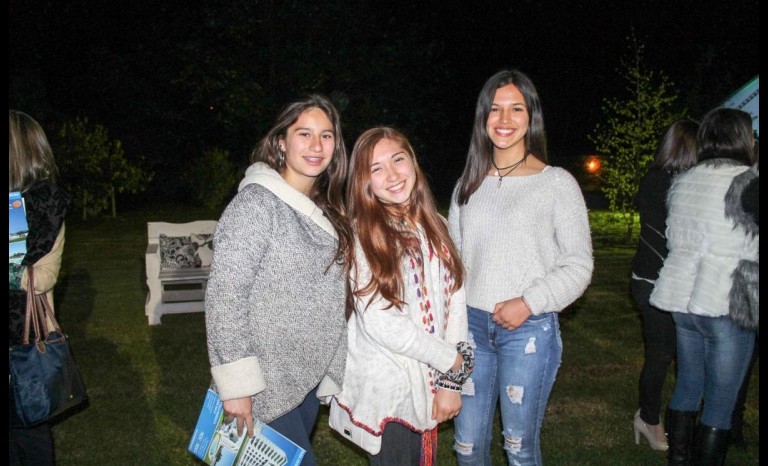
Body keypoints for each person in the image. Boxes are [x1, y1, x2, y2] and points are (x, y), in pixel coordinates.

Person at [448, 69, 594, 466]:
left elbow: (579, 265)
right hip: (472, 331)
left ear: (532, 117)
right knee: (467, 448)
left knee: (519, 447)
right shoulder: (467, 185)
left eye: (516, 108)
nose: (505, 119)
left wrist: (529, 302)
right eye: (495, 109)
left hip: (528, 331)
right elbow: (455, 266)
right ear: (483, 118)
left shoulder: (556, 183)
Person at [204, 94, 352, 466]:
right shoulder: (257, 204)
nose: (316, 146)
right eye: (304, 134)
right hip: (262, 380)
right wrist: (237, 386)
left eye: (327, 135)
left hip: (304, 378)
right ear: (281, 142)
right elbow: (225, 296)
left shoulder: (329, 209)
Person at [331, 127, 473, 466]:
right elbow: (382, 322)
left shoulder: (436, 223)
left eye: (398, 159)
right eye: (376, 169)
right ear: (363, 181)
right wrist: (451, 362)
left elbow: (455, 297)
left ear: (413, 162)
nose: (392, 175)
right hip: (389, 388)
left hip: (432, 377)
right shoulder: (361, 234)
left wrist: (450, 383)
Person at [650, 108, 758, 466]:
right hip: (727, 302)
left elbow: (673, 238)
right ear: (742, 138)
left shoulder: (684, 179)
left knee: (688, 386)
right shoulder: (748, 181)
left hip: (683, 300)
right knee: (720, 400)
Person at [630, 120, 699, 452]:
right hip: (655, 281)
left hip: (673, 280)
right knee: (660, 355)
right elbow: (663, 237)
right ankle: (648, 419)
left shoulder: (676, 181)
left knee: (681, 355)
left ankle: (675, 418)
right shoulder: (661, 182)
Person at [9, 110, 72, 466]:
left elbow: (43, 277)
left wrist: (11, 273)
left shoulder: (42, 205)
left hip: (24, 338)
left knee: (28, 429)